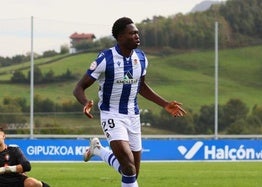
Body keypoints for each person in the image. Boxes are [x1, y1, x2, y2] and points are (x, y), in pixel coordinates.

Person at [73, 17, 186, 187]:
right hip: (111, 115)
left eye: (137, 32)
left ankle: (98, 150)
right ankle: (99, 150)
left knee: (132, 173)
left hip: (133, 117)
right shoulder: (105, 58)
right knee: (128, 167)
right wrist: (85, 102)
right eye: (132, 33)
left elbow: (141, 86)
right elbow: (79, 87)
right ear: (120, 37)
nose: (137, 36)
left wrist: (164, 104)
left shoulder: (141, 58)